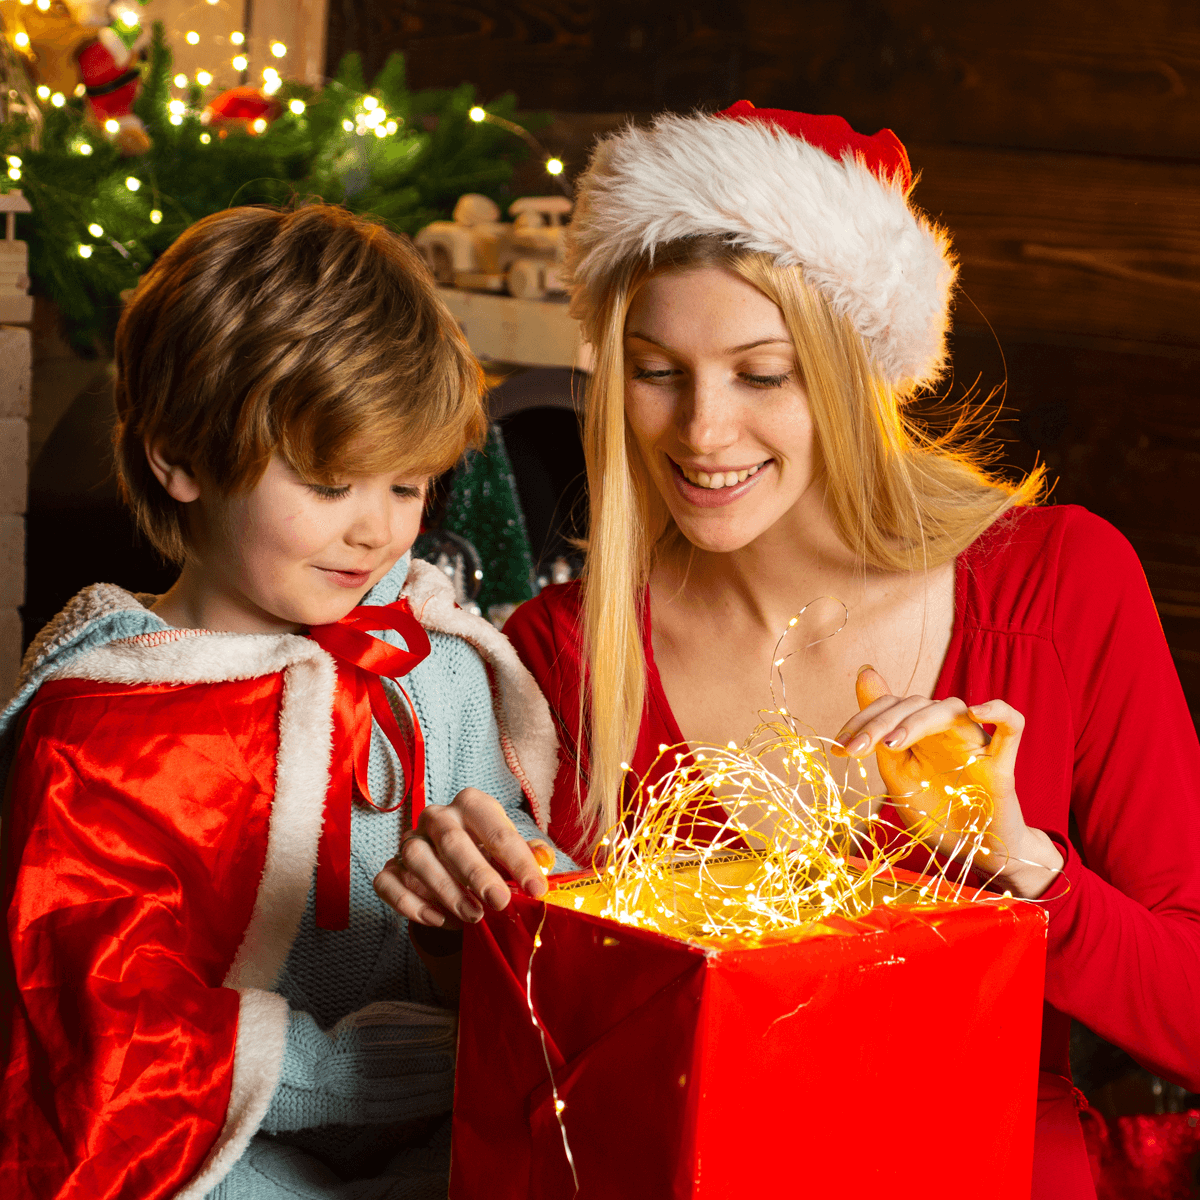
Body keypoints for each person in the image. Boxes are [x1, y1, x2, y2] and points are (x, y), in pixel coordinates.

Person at [380, 104, 1200, 1198]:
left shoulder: (1058, 586)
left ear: (858, 372)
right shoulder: (565, 651)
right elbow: (551, 1060)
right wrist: (458, 934)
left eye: (761, 374)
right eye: (655, 369)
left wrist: (1024, 865)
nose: (702, 431)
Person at [0, 203, 574, 1200]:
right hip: (229, 1156)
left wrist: (509, 896)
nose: (374, 534)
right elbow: (114, 1045)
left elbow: (525, 871)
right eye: (326, 481)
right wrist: (399, 1067)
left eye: (407, 488)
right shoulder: (112, 725)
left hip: (454, 1130)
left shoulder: (433, 665)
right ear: (179, 454)